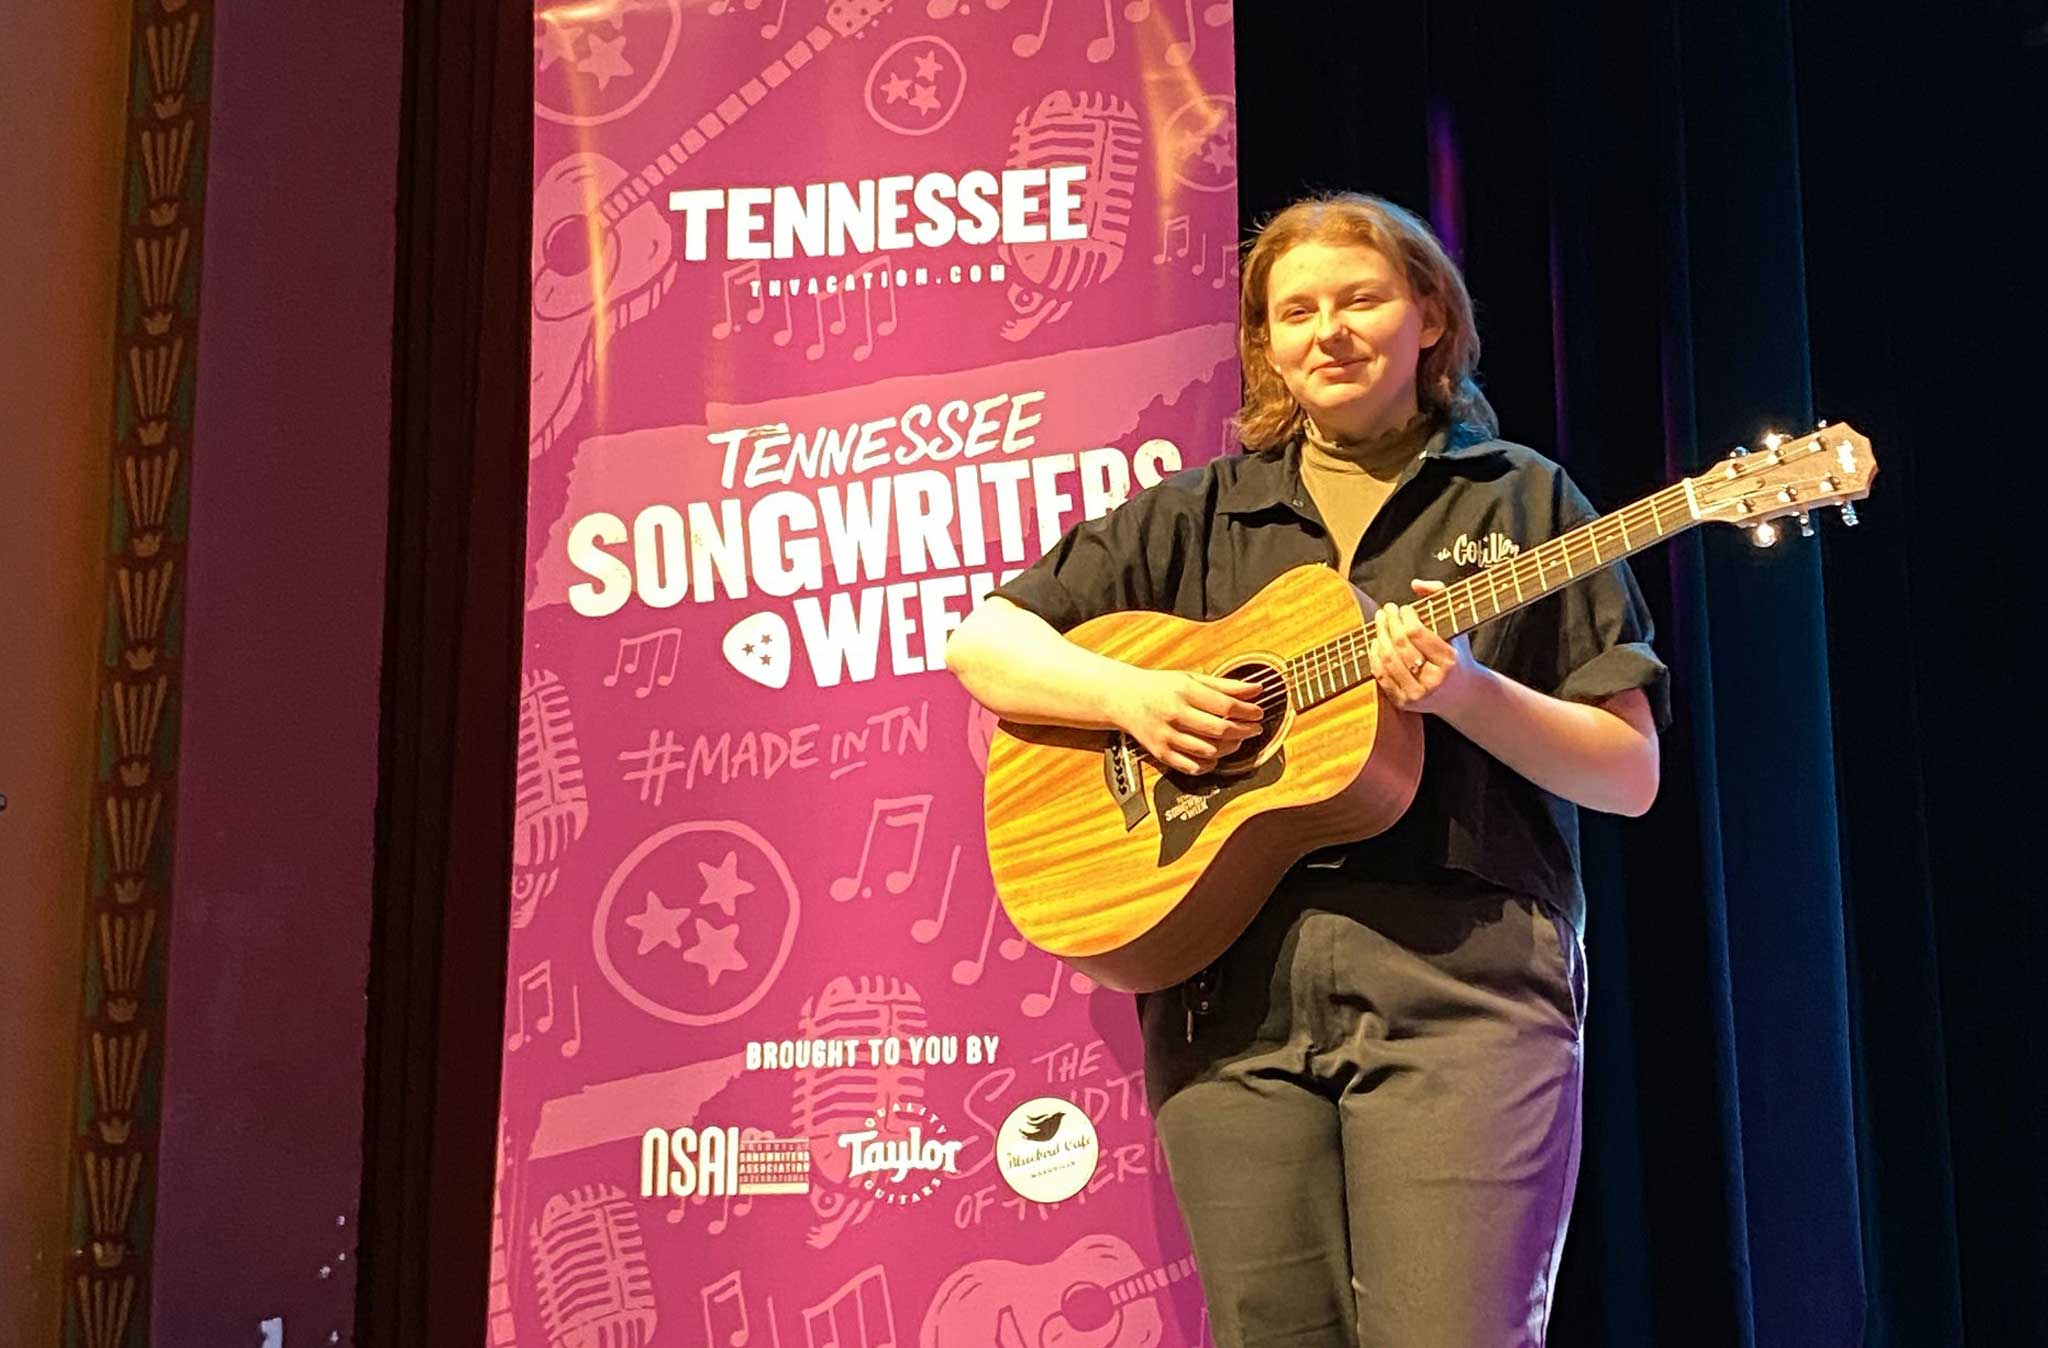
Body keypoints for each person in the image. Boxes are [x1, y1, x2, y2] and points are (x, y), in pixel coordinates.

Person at [945, 192, 1668, 1347]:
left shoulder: (1522, 498)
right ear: (1265, 342)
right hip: (1227, 993)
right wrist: (1135, 695)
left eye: (1361, 299)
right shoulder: (1200, 512)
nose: (1327, 330)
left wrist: (1466, 693)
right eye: (1296, 311)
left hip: (1462, 989)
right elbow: (982, 643)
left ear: (1428, 316)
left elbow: (1626, 773)